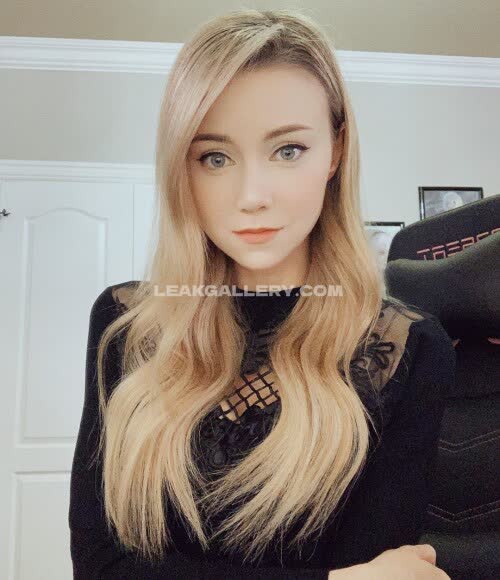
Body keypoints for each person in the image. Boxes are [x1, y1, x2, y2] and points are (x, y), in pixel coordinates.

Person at [69, 8, 456, 579]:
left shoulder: (404, 350)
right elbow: (101, 567)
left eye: (288, 150)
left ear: (335, 152)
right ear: (183, 169)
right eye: (215, 158)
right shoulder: (126, 325)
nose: (252, 195)